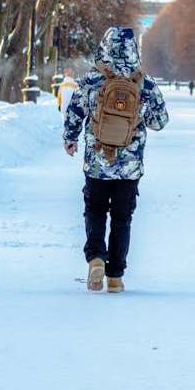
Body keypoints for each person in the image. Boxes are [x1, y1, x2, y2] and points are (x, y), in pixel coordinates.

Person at [63, 27, 169, 293]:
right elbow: (160, 121)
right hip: (130, 166)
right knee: (123, 218)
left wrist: (70, 137)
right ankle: (115, 277)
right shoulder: (144, 82)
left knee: (95, 210)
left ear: (105, 46)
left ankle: (97, 257)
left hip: (97, 162)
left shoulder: (93, 79)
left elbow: (75, 111)